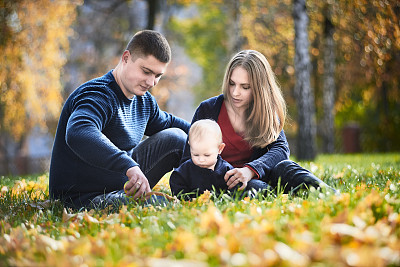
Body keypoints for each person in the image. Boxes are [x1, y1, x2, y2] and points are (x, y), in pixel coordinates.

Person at [49, 30, 190, 209]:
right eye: (146, 71)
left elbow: (170, 123)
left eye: (157, 75)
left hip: (121, 183)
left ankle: (208, 185)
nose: (151, 82)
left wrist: (213, 137)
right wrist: (128, 165)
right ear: (125, 58)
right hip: (83, 197)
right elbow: (79, 132)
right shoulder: (97, 95)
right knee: (162, 204)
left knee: (178, 137)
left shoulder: (144, 100)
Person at [181, 50, 337, 196]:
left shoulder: (265, 111)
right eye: (232, 83)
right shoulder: (208, 110)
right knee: (255, 188)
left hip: (258, 175)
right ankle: (275, 196)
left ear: (259, 88)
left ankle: (330, 195)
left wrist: (250, 170)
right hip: (224, 183)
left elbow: (281, 149)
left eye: (245, 87)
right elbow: (188, 158)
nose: (235, 92)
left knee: (286, 167)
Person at [170, 119, 233, 199]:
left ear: (220, 149)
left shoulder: (226, 170)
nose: (201, 160)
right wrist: (184, 199)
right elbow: (176, 181)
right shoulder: (185, 170)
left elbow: (236, 187)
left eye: (207, 155)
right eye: (195, 154)